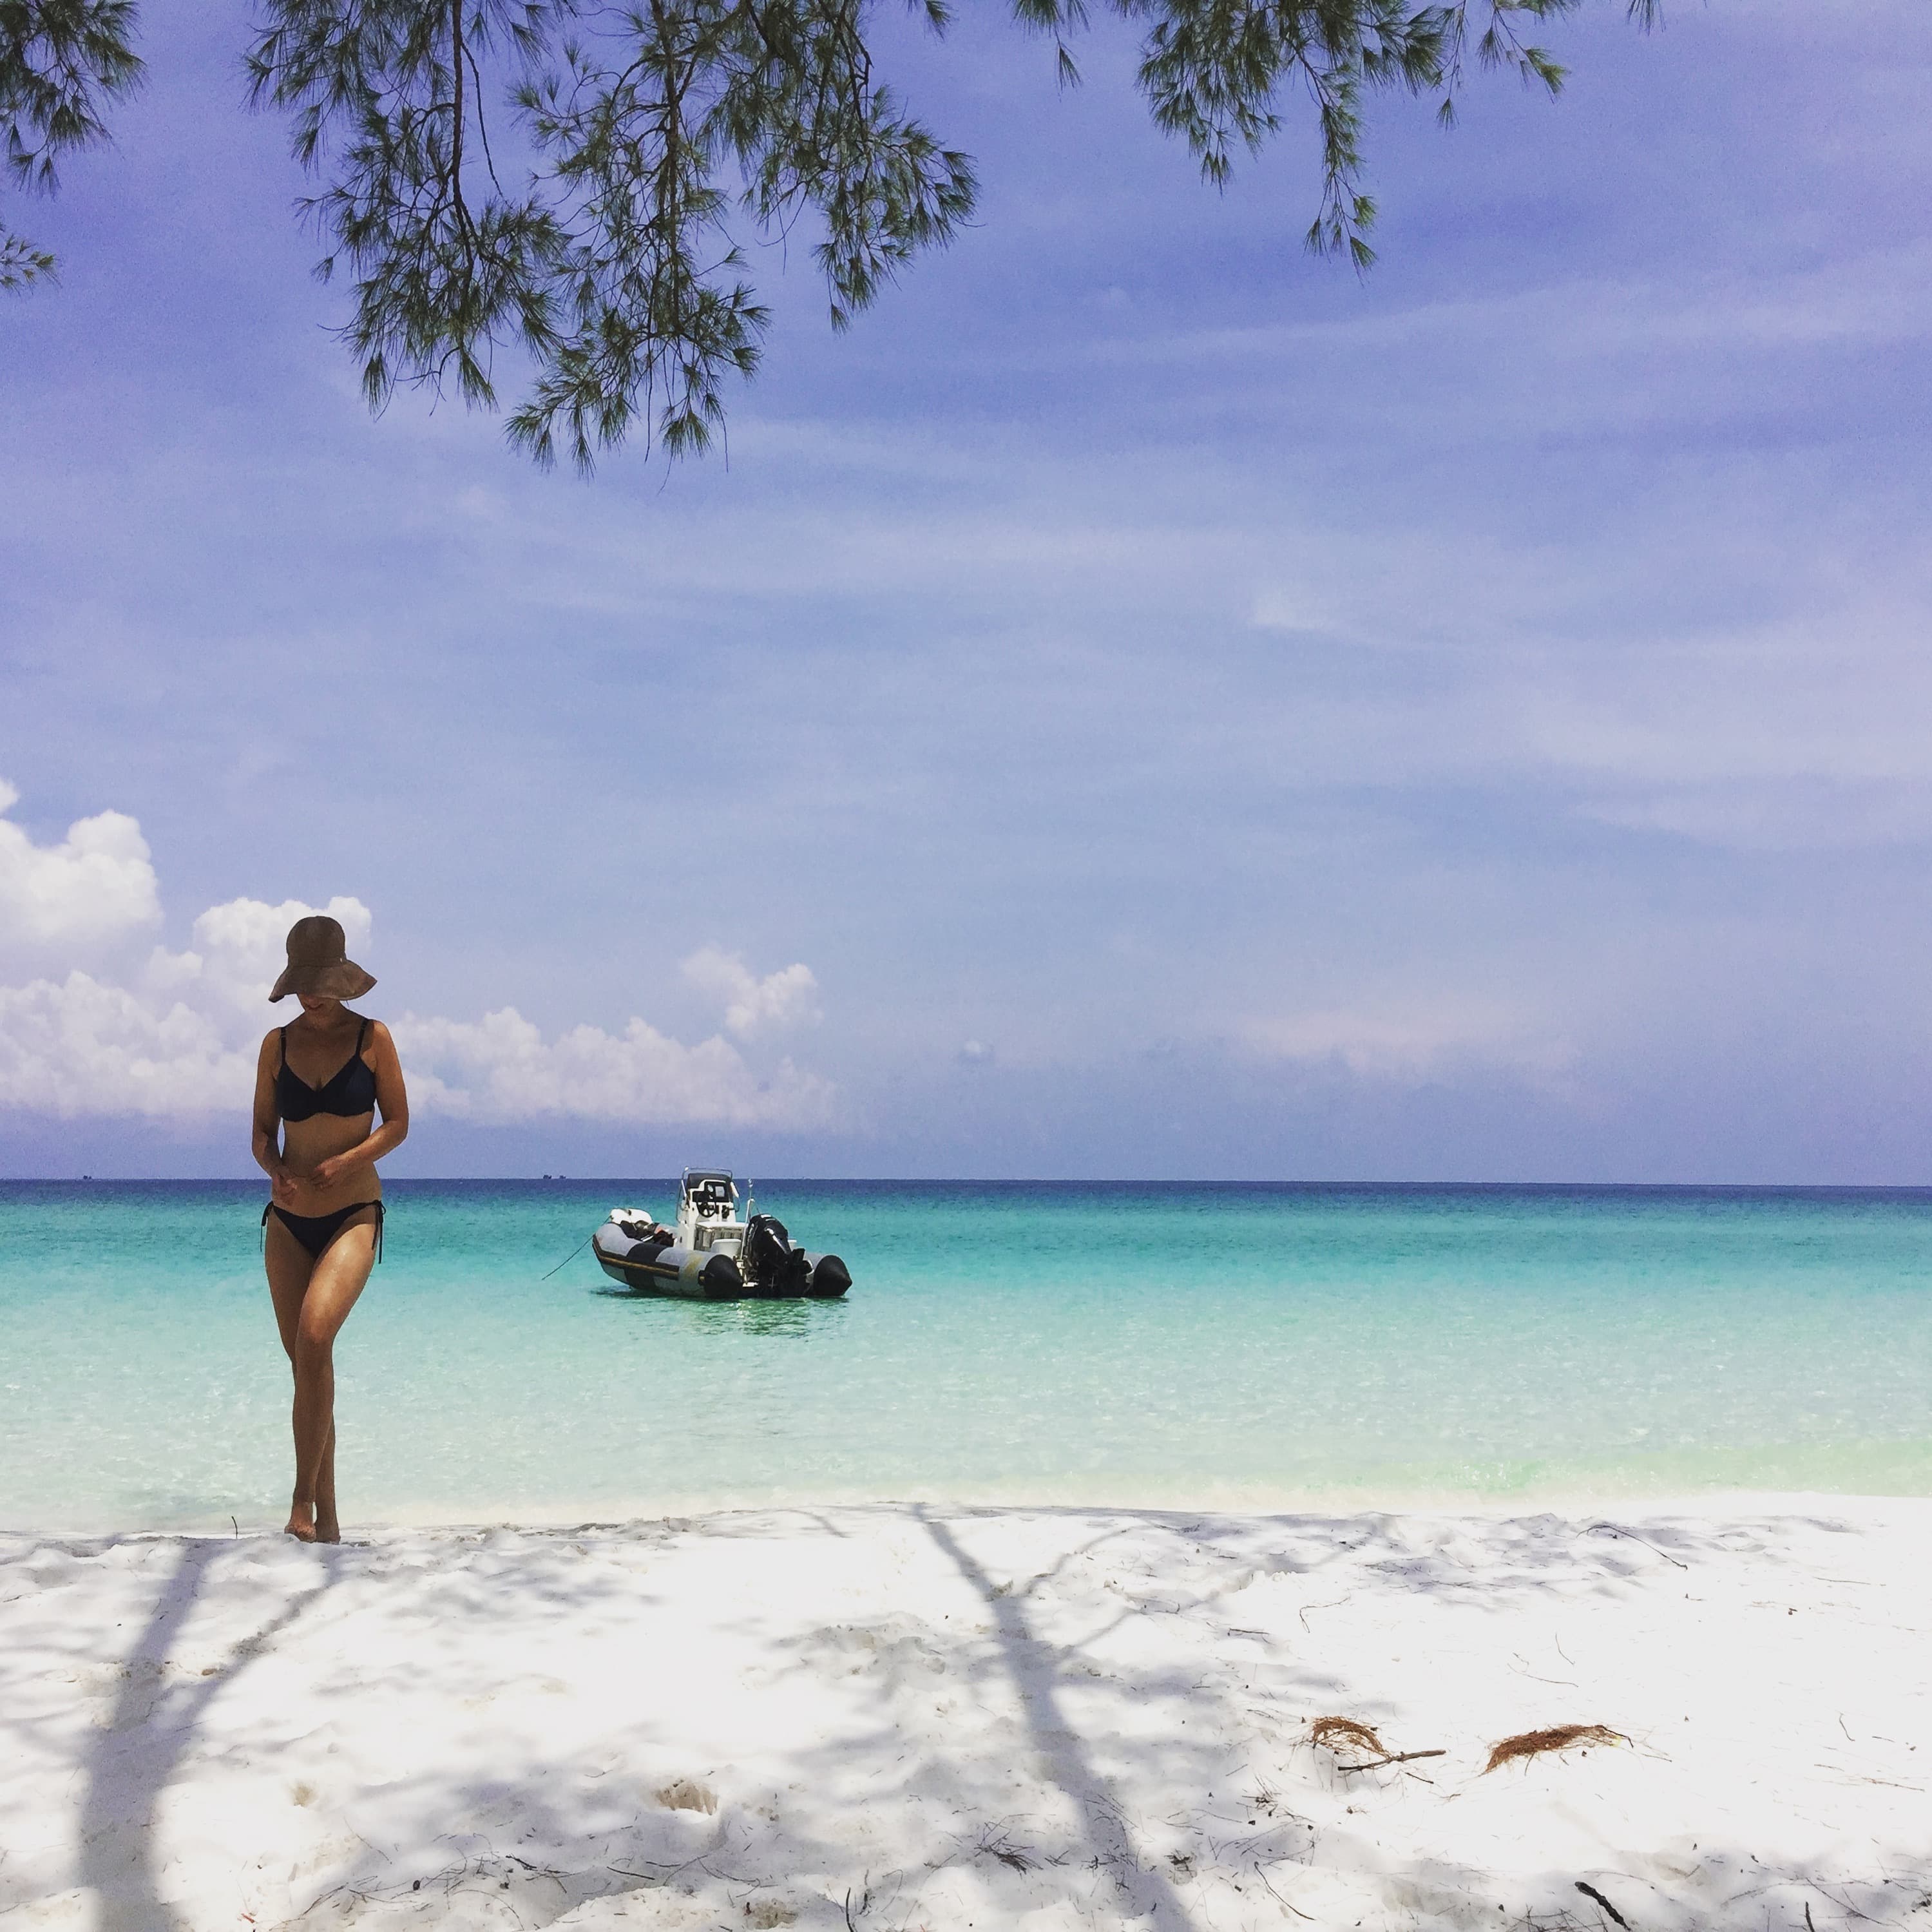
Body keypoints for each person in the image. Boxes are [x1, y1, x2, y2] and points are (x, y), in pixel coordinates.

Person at [251, 915, 408, 1542]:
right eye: (301, 984)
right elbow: (262, 1133)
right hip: (287, 1223)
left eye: (319, 983)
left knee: (315, 1339)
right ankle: (330, 1523)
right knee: (307, 1368)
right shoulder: (276, 1044)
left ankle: (298, 1505)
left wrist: (348, 1160)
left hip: (352, 1215)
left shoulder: (374, 1038)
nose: (309, 995)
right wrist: (272, 1168)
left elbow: (396, 1123)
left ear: (341, 979)